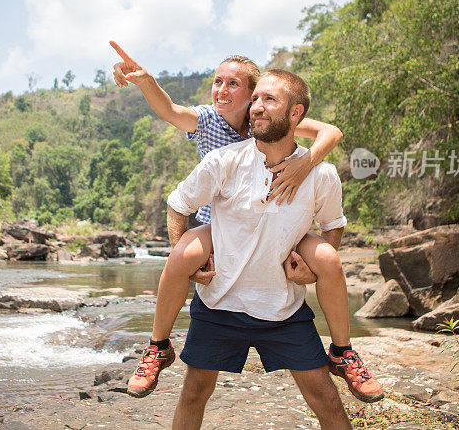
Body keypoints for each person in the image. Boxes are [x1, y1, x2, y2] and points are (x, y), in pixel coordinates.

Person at [110, 42, 382, 404]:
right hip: (220, 224)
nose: (222, 91)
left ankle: (343, 351)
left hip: (282, 224)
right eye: (217, 82)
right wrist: (145, 81)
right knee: (180, 257)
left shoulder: (271, 121)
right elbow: (171, 110)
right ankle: (158, 346)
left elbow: (330, 132)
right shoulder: (208, 119)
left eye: (233, 84)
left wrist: (306, 163)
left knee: (327, 259)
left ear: (255, 95)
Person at [167, 69, 353, 428]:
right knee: (193, 392)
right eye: (255, 100)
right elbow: (179, 202)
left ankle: (345, 353)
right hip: (219, 303)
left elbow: (333, 226)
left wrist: (313, 272)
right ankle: (157, 346)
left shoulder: (320, 173)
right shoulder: (224, 160)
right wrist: (186, 261)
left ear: (295, 114)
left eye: (269, 100)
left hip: (283, 309)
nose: (257, 107)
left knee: (326, 398)